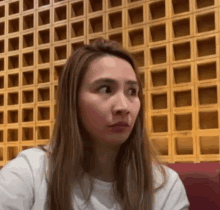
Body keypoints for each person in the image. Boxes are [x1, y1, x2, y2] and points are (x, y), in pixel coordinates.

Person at [0, 39, 190, 210]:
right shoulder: (29, 174)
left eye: (132, 92)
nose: (124, 107)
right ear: (73, 101)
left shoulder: (165, 186)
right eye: (106, 89)